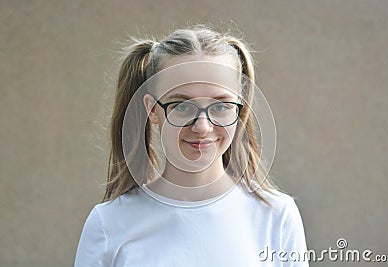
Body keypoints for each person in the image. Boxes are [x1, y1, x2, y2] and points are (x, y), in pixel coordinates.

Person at [75, 25, 309, 267]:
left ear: (241, 108)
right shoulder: (108, 224)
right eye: (182, 106)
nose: (202, 127)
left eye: (221, 106)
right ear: (152, 109)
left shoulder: (277, 217)